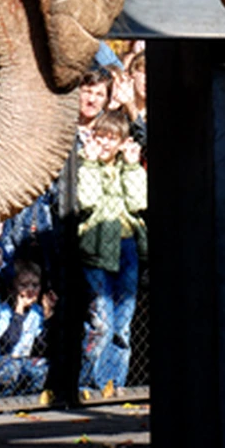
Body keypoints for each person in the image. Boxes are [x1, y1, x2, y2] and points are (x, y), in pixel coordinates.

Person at [77, 109, 147, 396]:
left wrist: (131, 168)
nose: (105, 143)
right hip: (94, 249)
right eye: (100, 136)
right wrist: (91, 165)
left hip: (126, 246)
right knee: (100, 321)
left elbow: (138, 203)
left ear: (122, 142)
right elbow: (87, 201)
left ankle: (113, 382)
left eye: (111, 138)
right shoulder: (83, 164)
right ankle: (88, 381)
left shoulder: (130, 166)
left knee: (123, 322)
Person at [0, 260, 55, 396]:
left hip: (25, 361)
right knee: (11, 369)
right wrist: (18, 312)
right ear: (12, 289)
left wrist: (48, 316)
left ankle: (29, 398)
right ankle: (3, 399)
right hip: (5, 361)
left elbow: (42, 345)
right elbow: (6, 343)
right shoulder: (4, 312)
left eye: (35, 285)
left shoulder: (37, 312)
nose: (30, 290)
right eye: (24, 285)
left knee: (43, 367)